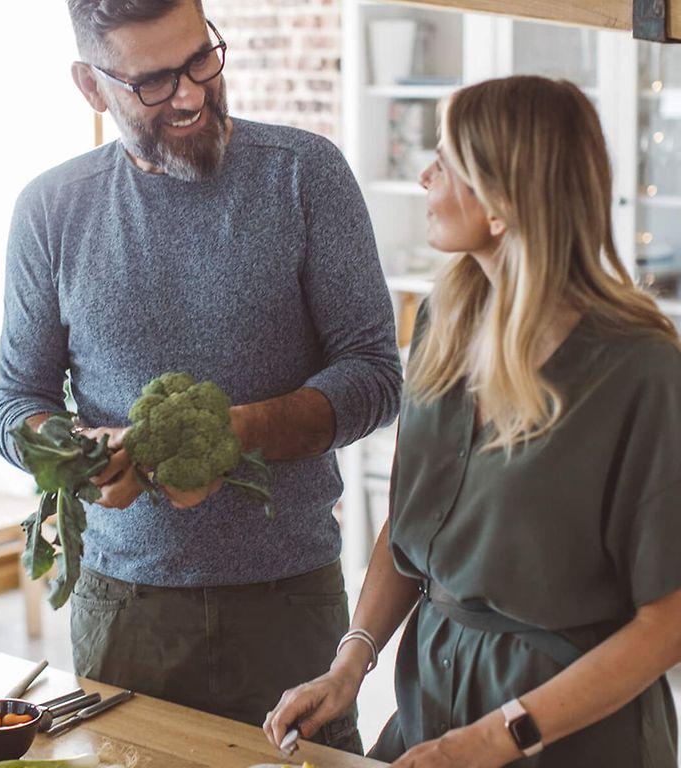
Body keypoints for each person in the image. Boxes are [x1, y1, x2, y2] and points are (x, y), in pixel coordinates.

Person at [0, 0, 401, 752]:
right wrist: (80, 456)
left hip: (291, 601)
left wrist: (235, 436)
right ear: (90, 85)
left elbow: (376, 376)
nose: (189, 93)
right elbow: (16, 402)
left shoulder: (307, 176)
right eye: (151, 81)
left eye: (200, 60)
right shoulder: (52, 210)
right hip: (126, 610)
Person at [264, 74, 681, 767]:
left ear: (502, 201)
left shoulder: (642, 369)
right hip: (433, 709)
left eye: (446, 161)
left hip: (574, 737)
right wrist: (350, 664)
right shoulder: (439, 324)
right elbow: (407, 523)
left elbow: (668, 621)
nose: (423, 173)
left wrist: (499, 735)